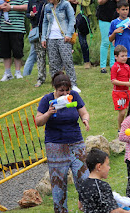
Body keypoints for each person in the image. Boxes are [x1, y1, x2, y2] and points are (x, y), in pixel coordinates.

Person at [35, 72, 90, 212]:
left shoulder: (74, 96)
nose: (65, 93)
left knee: (84, 178)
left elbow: (84, 112)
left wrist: (85, 119)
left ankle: (87, 206)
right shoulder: (46, 99)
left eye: (67, 90)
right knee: (58, 185)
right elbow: (38, 122)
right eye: (61, 91)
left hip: (76, 143)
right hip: (55, 146)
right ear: (55, 88)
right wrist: (48, 113)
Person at [78, 148, 130, 213]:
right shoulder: (102, 186)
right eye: (107, 165)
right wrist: (129, 212)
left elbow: (80, 206)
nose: (109, 168)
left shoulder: (83, 184)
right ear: (99, 167)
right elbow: (114, 211)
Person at [41, 0, 81, 93]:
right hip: (50, 37)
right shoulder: (47, 7)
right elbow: (45, 22)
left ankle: (73, 84)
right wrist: (43, 37)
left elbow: (72, 20)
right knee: (54, 63)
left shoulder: (66, 4)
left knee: (67, 61)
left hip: (63, 37)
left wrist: (69, 34)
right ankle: (57, 85)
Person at [0, 0, 28, 82]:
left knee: (17, 51)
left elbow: (26, 7)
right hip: (2, 28)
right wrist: (1, 7)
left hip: (17, 28)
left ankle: (18, 72)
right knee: (4, 52)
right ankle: (7, 73)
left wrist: (11, 7)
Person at [24, 0, 48, 89]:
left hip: (49, 32)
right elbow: (27, 14)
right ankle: (41, 78)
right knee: (40, 56)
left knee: (53, 56)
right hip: (37, 32)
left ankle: (56, 77)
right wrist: (30, 15)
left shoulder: (47, 2)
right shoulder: (32, 1)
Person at [110, 45, 130, 132]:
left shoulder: (127, 67)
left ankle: (129, 127)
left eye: (126, 56)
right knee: (122, 113)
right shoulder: (115, 67)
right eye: (122, 56)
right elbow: (113, 81)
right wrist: (126, 83)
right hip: (118, 93)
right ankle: (120, 129)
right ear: (116, 57)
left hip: (127, 92)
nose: (125, 58)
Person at [96, 0, 117, 73]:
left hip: (115, 17)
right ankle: (103, 66)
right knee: (105, 42)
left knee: (114, 43)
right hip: (104, 18)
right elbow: (100, 1)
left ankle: (113, 65)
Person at [74, 0, 92, 69]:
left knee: (83, 41)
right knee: (67, 40)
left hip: (80, 17)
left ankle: (86, 61)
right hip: (68, 14)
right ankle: (65, 62)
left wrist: (78, 2)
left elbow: (88, 2)